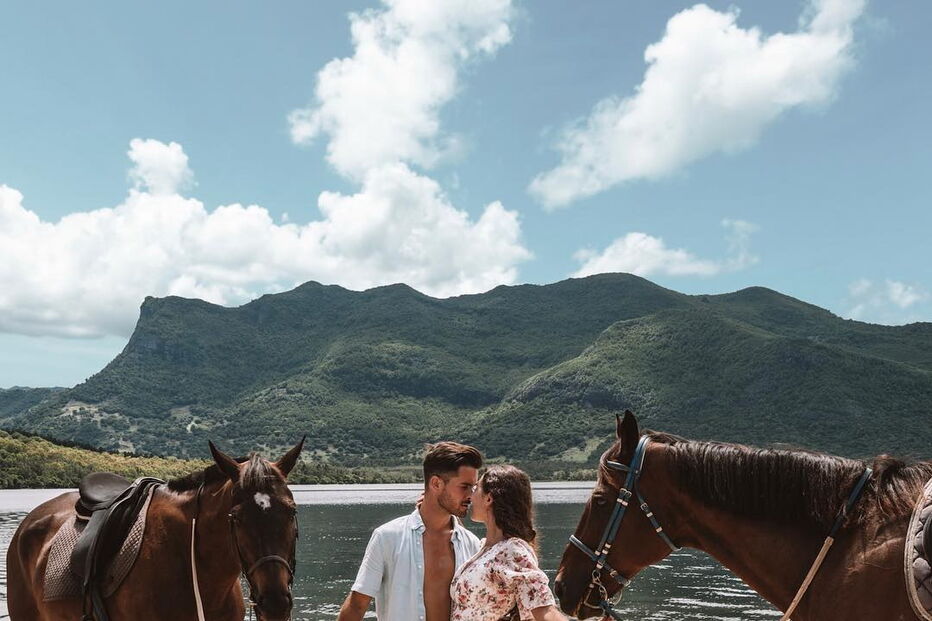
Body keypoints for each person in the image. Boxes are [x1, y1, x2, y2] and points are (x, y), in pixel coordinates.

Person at [337, 442, 483, 621]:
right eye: (464, 486)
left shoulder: (472, 544)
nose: (472, 495)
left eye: (474, 487)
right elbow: (357, 606)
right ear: (436, 483)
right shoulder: (388, 537)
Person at [450, 465, 567, 621]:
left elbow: (545, 611)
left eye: (476, 488)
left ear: (489, 498)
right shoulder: (486, 548)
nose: (470, 495)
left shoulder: (513, 550)